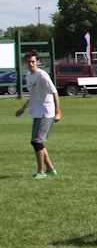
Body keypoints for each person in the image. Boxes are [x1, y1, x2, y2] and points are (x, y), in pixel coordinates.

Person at [15, 50, 61, 179]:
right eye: (28, 62)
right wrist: (23, 108)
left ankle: (41, 172)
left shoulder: (42, 75)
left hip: (46, 112)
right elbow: (33, 95)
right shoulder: (29, 76)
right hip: (37, 112)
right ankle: (50, 169)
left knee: (36, 141)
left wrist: (58, 112)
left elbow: (54, 92)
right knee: (37, 142)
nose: (31, 64)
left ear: (38, 62)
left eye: (33, 61)